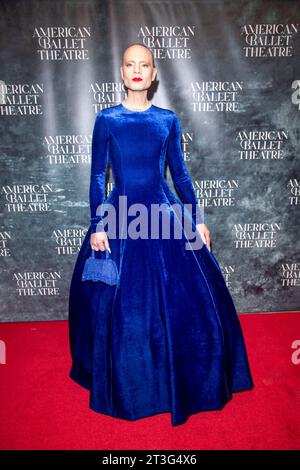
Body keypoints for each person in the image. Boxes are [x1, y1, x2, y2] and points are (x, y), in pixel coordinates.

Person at [68, 43, 254, 426]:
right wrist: (98, 224)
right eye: (130, 64)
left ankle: (186, 375)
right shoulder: (108, 119)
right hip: (121, 216)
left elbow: (179, 173)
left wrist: (196, 217)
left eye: (145, 65)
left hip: (163, 213)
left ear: (153, 75)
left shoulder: (167, 120)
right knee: (121, 307)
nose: (137, 70)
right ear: (122, 72)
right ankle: (130, 380)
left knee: (184, 301)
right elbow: (98, 177)